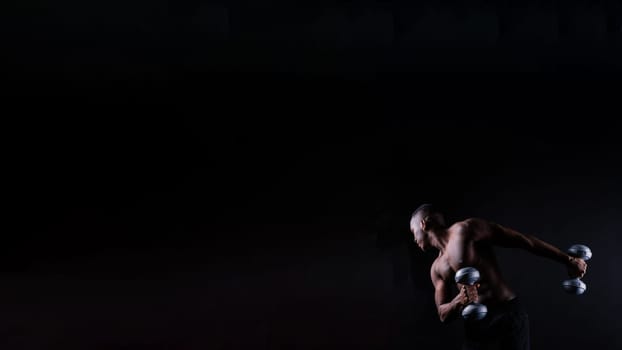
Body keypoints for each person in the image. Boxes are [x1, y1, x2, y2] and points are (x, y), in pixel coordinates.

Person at [409, 204, 588, 350]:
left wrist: (568, 259)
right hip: (476, 328)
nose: (414, 239)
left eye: (413, 231)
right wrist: (459, 301)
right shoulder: (436, 269)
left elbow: (522, 240)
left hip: (506, 317)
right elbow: (442, 314)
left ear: (424, 223)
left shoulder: (466, 230)